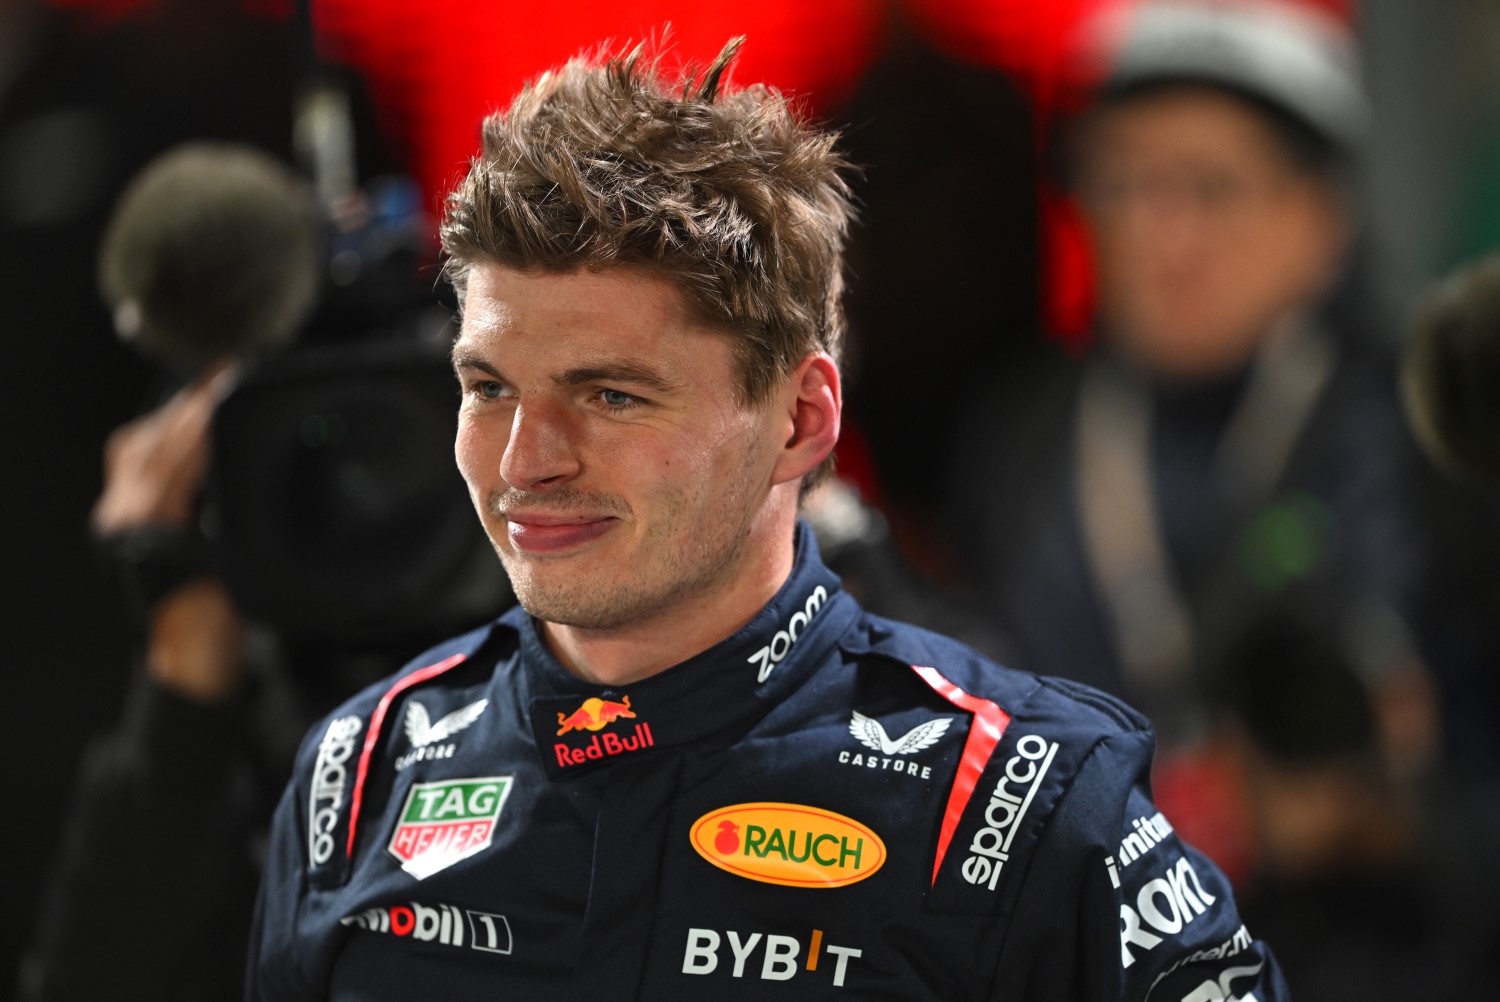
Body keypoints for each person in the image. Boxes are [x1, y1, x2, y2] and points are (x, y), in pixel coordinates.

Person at [247, 38, 1288, 1000]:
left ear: (801, 420)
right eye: (489, 389)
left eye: (612, 395)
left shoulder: (1023, 805)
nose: (527, 462)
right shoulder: (363, 769)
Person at [943, 0, 1417, 737]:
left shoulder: (1412, 441)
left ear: (1321, 217)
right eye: (1126, 184)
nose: (1169, 241)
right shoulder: (1019, 442)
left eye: (1212, 187)